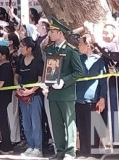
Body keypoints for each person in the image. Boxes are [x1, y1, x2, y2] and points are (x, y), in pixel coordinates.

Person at [42, 17, 85, 160]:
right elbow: (48, 69)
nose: (50, 34)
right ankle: (59, 151)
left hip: (66, 93)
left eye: (52, 31)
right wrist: (45, 82)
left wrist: (64, 81)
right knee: (57, 124)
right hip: (53, 93)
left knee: (69, 123)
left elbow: (79, 72)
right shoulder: (50, 49)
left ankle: (70, 152)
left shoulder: (71, 51)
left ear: (60, 33)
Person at [75, 33, 107, 159]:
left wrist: (102, 97)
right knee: (82, 127)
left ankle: (94, 153)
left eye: (81, 43)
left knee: (92, 127)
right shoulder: (78, 58)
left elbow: (102, 80)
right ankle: (84, 152)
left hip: (93, 98)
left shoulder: (99, 60)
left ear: (88, 45)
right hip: (79, 97)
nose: (78, 46)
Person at [16, 37, 43, 158]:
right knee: (26, 122)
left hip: (35, 95)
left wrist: (30, 91)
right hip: (22, 95)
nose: (20, 49)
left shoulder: (38, 61)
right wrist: (17, 87)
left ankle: (38, 147)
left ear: (29, 48)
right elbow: (16, 76)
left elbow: (40, 80)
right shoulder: (20, 60)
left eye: (22, 46)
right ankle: (30, 145)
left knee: (35, 121)